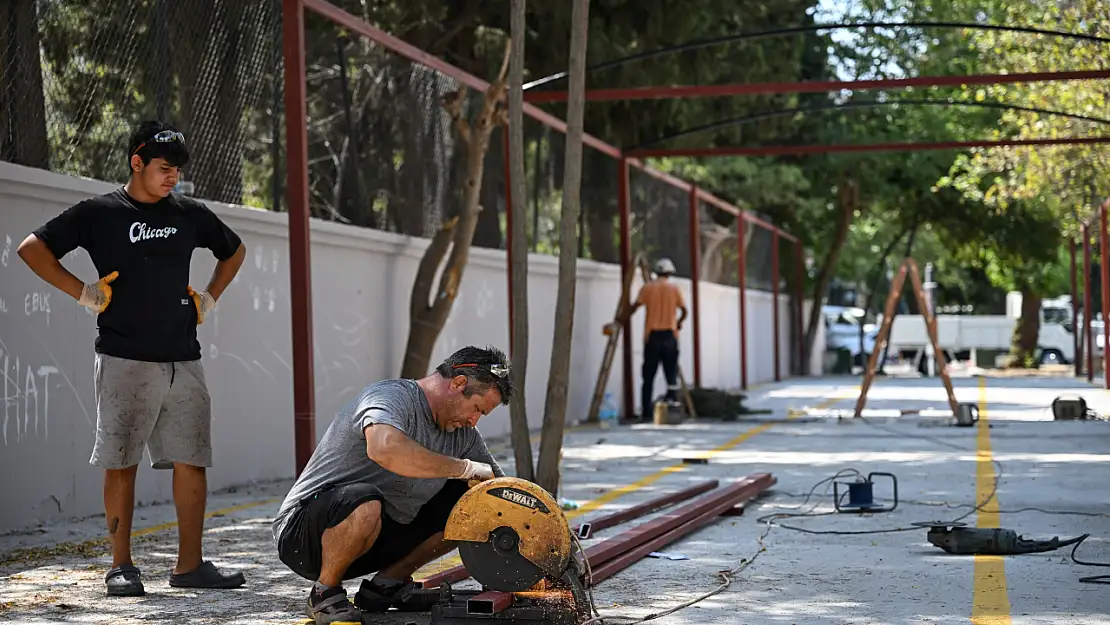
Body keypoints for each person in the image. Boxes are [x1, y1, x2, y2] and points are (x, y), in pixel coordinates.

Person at [17, 120, 248, 597]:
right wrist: (82, 291)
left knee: (192, 459)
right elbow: (32, 249)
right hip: (124, 356)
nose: (172, 179)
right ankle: (121, 566)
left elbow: (234, 251)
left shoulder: (188, 213)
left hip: (184, 358)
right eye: (164, 169)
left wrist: (209, 298)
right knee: (121, 461)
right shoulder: (99, 213)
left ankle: (190, 566)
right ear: (136, 162)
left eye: (178, 171)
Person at [272, 345, 513, 625]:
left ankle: (386, 587)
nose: (474, 421)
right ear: (458, 384)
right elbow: (385, 449)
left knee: (475, 501)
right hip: (304, 537)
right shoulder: (390, 397)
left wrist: (548, 540)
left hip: (374, 537)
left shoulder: (464, 436)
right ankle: (325, 593)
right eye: (476, 410)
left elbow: (501, 495)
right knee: (364, 499)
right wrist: (463, 467)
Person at [626, 257, 688, 420]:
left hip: (652, 336)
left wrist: (621, 318)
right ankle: (673, 411)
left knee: (648, 377)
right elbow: (684, 310)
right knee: (671, 375)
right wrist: (678, 323)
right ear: (669, 273)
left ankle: (646, 413)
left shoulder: (647, 288)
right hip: (670, 335)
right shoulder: (674, 289)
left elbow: (635, 306)